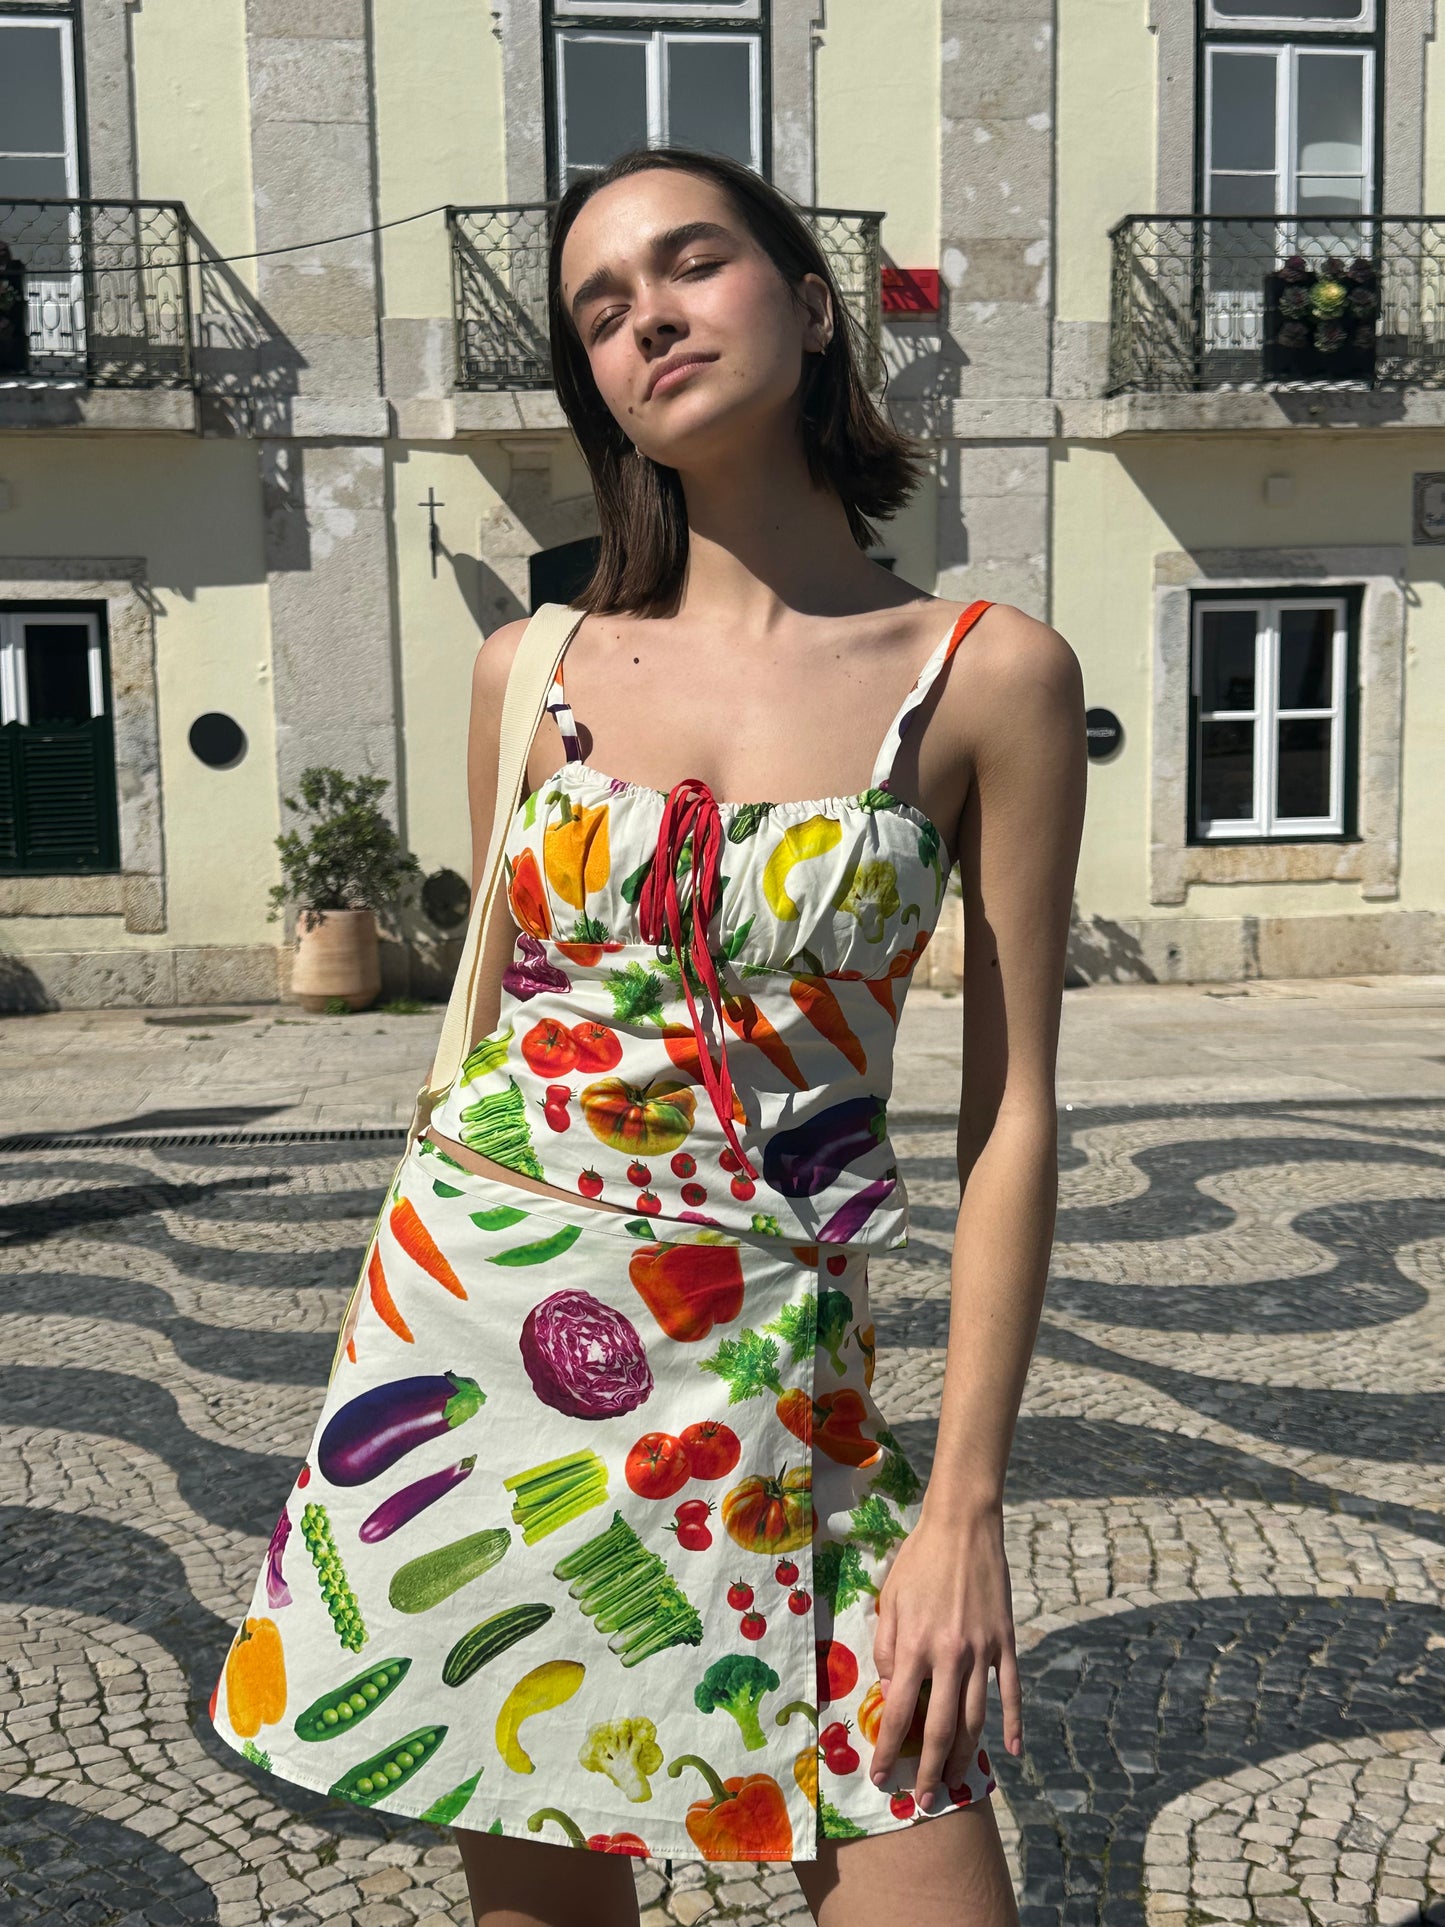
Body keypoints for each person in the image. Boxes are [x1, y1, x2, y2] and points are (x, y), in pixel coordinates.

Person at [208, 144, 1084, 1927]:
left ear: (811, 304)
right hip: (480, 1351)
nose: (647, 321)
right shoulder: (528, 671)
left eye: (689, 264)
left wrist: (965, 1505)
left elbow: (1011, 1117)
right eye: (600, 310)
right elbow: (497, 1033)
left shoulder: (989, 674)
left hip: (786, 1372)